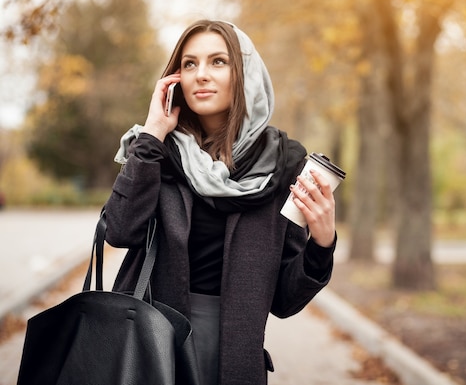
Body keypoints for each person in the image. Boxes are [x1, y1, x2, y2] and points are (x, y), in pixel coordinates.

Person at [104, 20, 337, 385]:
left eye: (218, 62)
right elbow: (119, 230)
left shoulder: (285, 162)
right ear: (175, 77)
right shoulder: (157, 150)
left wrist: (322, 244)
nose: (201, 75)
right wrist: (152, 132)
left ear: (244, 74)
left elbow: (285, 301)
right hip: (151, 345)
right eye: (190, 64)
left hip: (234, 359)